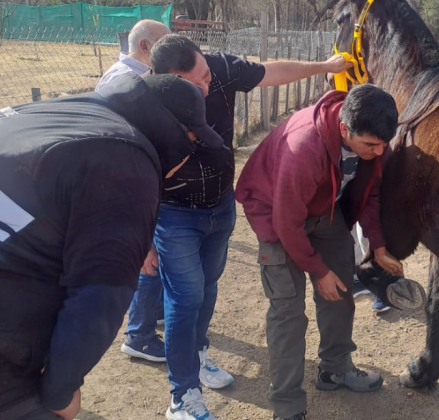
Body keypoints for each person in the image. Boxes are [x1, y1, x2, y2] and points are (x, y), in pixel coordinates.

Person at [147, 34, 352, 420]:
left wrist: (325, 67)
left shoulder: (220, 68)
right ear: (167, 81)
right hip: (174, 214)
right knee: (184, 299)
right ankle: (183, 393)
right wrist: (143, 237)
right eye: (196, 84)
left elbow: (271, 72)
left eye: (207, 75)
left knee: (207, 288)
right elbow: (131, 173)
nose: (207, 87)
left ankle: (198, 353)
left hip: (220, 205)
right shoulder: (144, 102)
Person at [0, 73, 223, 420]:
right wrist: (61, 390)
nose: (187, 160)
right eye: (192, 143)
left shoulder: (70, 112)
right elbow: (98, 298)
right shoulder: (126, 162)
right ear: (172, 133)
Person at [235, 84, 404, 420]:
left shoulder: (374, 140)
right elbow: (286, 222)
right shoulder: (304, 147)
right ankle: (287, 407)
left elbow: (370, 193)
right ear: (344, 129)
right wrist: (317, 270)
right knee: (288, 315)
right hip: (276, 216)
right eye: (371, 145)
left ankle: (335, 369)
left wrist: (378, 247)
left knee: (340, 294)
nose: (379, 150)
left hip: (325, 211)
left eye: (384, 143)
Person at [95, 18, 172, 363]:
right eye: (164, 44)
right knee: (150, 255)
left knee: (155, 252)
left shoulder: (129, 76)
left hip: (139, 178)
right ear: (145, 47)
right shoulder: (129, 82)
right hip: (131, 182)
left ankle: (152, 313)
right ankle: (138, 335)